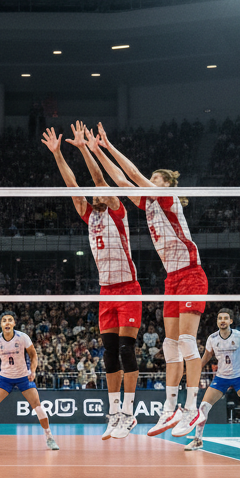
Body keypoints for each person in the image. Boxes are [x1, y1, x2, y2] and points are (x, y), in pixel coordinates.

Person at [88, 123, 207, 436]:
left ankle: (192, 408)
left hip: (191, 272)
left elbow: (132, 173)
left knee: (186, 341)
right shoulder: (148, 204)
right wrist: (97, 151)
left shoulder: (166, 198)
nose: (150, 182)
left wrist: (109, 146)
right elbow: (120, 180)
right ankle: (171, 408)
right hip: (172, 279)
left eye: (156, 179)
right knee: (170, 345)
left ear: (167, 184)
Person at [42, 123, 142, 441]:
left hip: (128, 287)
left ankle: (129, 413)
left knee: (126, 349)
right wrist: (58, 154)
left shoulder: (116, 211)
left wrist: (85, 148)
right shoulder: (89, 214)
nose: (97, 191)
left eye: (102, 190)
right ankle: (114, 414)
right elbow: (73, 185)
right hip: (106, 290)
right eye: (96, 191)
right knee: (109, 352)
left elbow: (99, 179)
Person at [182, 308, 240, 454]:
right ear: (217, 321)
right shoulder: (212, 338)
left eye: (225, 318)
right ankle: (198, 440)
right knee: (203, 407)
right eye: (220, 318)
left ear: (231, 321)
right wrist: (194, 370)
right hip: (221, 378)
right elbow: (206, 356)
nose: (222, 321)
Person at [0, 311, 59, 451]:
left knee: (38, 407)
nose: (7, 322)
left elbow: (34, 355)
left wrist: (33, 371)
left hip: (23, 377)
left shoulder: (22, 337)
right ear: (1, 324)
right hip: (5, 378)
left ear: (14, 323)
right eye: (4, 320)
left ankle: (49, 438)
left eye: (10, 320)